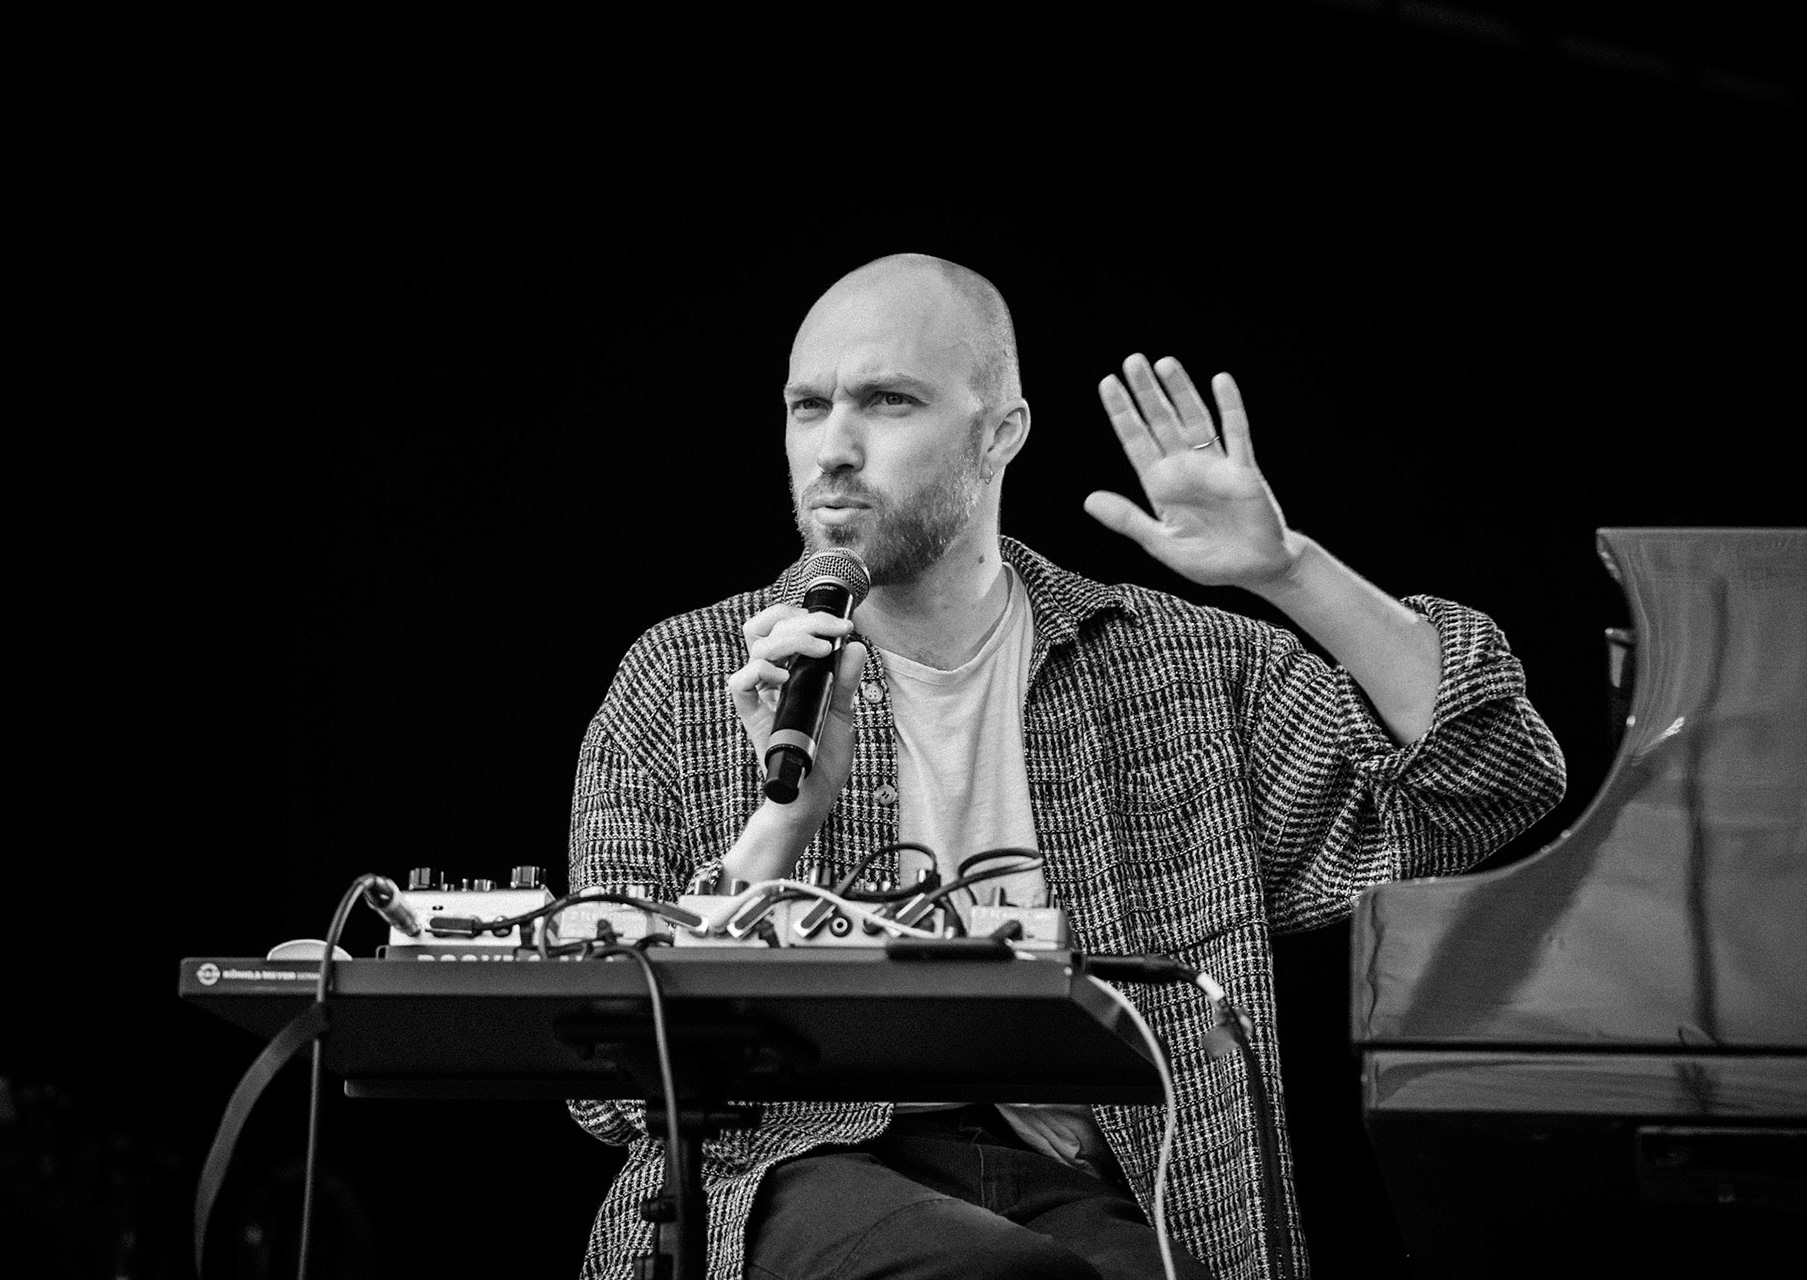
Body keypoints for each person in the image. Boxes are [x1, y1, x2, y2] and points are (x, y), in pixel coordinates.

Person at [566, 253, 1567, 1280]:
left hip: (1090, 1184)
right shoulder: (683, 676)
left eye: (887, 400)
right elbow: (604, 1085)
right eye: (807, 406)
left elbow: (1489, 774)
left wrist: (1287, 571)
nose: (834, 447)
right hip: (787, 1171)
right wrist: (780, 825)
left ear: (1001, 432)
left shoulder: (1177, 668)